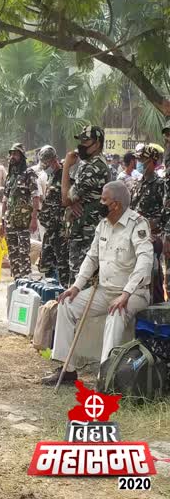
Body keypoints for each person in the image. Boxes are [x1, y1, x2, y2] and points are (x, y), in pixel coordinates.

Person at [42, 181, 152, 386]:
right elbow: (91, 258)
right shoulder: (103, 225)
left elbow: (145, 262)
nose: (99, 202)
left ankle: (105, 378)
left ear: (116, 205)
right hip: (104, 290)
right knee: (66, 305)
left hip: (134, 293)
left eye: (104, 199)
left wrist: (126, 294)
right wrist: (76, 286)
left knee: (115, 314)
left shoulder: (138, 224)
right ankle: (67, 369)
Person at [62, 125, 112, 281]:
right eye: (81, 140)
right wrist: (72, 203)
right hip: (82, 231)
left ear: (97, 144)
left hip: (88, 233)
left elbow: (66, 199)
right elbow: (71, 199)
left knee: (82, 283)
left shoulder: (94, 168)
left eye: (86, 140)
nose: (81, 145)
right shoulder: (87, 165)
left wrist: (66, 166)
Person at [130, 143, 165, 304]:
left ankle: (156, 313)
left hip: (153, 237)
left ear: (153, 161)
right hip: (135, 236)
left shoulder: (160, 184)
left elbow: (165, 213)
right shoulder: (138, 183)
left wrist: (149, 226)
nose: (139, 163)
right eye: (138, 159)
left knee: (154, 276)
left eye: (143, 159)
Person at [0, 143, 39, 280]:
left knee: (24, 255)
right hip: (10, 222)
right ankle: (17, 282)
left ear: (22, 156)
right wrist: (2, 223)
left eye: (15, 154)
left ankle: (26, 283)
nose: (12, 157)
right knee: (13, 255)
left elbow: (35, 197)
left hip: (23, 222)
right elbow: (5, 200)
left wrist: (34, 219)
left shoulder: (29, 174)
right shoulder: (10, 176)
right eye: (11, 154)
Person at [37, 146, 70, 286]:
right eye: (43, 164)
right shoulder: (50, 177)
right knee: (45, 264)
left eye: (46, 163)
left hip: (61, 230)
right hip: (49, 229)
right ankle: (49, 291)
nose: (45, 167)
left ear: (54, 160)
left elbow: (69, 200)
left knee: (63, 266)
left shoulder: (65, 176)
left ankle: (62, 293)